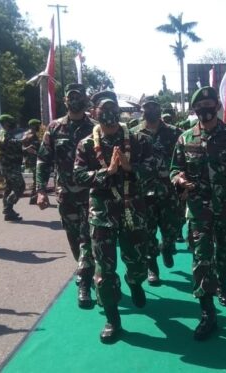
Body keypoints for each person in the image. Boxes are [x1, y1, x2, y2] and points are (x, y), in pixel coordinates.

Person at [170, 86, 226, 340]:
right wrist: (178, 179)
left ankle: (223, 282)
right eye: (201, 106)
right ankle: (207, 312)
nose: (206, 109)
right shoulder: (185, 138)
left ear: (217, 107)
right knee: (201, 259)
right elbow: (175, 168)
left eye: (210, 105)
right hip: (199, 211)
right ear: (195, 109)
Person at [73, 98, 156, 343]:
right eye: (103, 111)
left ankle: (135, 281)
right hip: (102, 215)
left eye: (112, 110)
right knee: (104, 270)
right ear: (95, 114)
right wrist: (105, 173)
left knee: (138, 260)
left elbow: (154, 168)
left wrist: (130, 167)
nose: (108, 115)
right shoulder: (87, 144)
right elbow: (77, 175)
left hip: (133, 211)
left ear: (118, 113)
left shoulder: (139, 140)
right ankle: (113, 319)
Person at [36, 83, 96, 309]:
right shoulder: (54, 128)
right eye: (71, 97)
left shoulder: (95, 127)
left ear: (85, 100)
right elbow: (43, 160)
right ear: (65, 100)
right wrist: (41, 190)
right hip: (66, 196)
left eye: (79, 96)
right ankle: (86, 271)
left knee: (88, 239)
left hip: (92, 195)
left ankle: (85, 282)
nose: (75, 100)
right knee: (74, 240)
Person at [132, 96, 183, 286]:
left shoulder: (175, 133)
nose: (151, 111)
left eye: (154, 107)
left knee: (173, 228)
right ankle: (152, 267)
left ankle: (167, 247)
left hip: (169, 191)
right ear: (142, 110)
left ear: (160, 110)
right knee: (147, 231)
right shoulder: (133, 134)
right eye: (147, 108)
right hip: (144, 192)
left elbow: (183, 160)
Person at [0, 114, 26, 221]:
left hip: (10, 165)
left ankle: (8, 212)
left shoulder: (6, 133)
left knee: (9, 188)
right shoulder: (4, 133)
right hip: (10, 166)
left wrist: (25, 148)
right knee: (20, 187)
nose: (14, 124)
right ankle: (8, 207)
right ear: (6, 123)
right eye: (11, 122)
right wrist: (23, 140)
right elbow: (8, 142)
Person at [22, 119, 41, 205]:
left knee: (35, 178)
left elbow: (22, 146)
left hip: (28, 159)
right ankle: (33, 197)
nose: (39, 127)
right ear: (33, 126)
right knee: (36, 179)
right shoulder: (33, 136)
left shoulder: (25, 134)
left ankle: (34, 197)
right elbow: (35, 148)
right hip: (34, 159)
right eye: (37, 125)